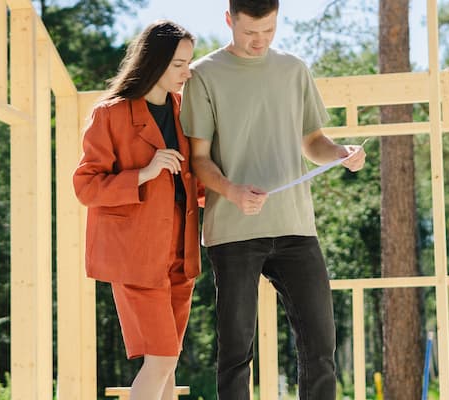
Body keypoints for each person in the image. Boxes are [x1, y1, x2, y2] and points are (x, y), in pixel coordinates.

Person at [181, 1, 368, 399]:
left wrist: (340, 153)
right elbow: (198, 159)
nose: (259, 41)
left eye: (268, 31)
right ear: (229, 20)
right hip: (233, 230)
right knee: (235, 351)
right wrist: (232, 190)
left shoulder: (293, 69)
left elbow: (313, 143)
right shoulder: (203, 75)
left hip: (296, 226)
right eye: (250, 32)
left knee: (320, 346)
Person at [72, 20, 199, 400]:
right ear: (154, 62)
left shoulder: (184, 111)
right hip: (136, 257)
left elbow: (194, 180)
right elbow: (86, 186)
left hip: (180, 253)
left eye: (188, 63)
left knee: (168, 361)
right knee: (160, 358)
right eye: (178, 64)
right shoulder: (109, 115)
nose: (185, 73)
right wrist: (144, 172)